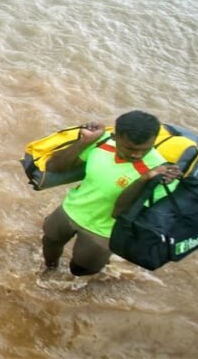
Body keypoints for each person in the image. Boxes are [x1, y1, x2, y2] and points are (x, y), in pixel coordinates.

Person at [41, 111, 182, 276]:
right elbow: (55, 167)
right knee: (50, 243)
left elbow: (119, 213)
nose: (137, 154)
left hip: (104, 231)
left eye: (145, 149)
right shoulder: (102, 142)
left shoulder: (162, 174)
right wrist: (84, 141)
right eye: (129, 149)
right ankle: (50, 271)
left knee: (80, 270)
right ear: (115, 137)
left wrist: (145, 179)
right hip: (71, 208)